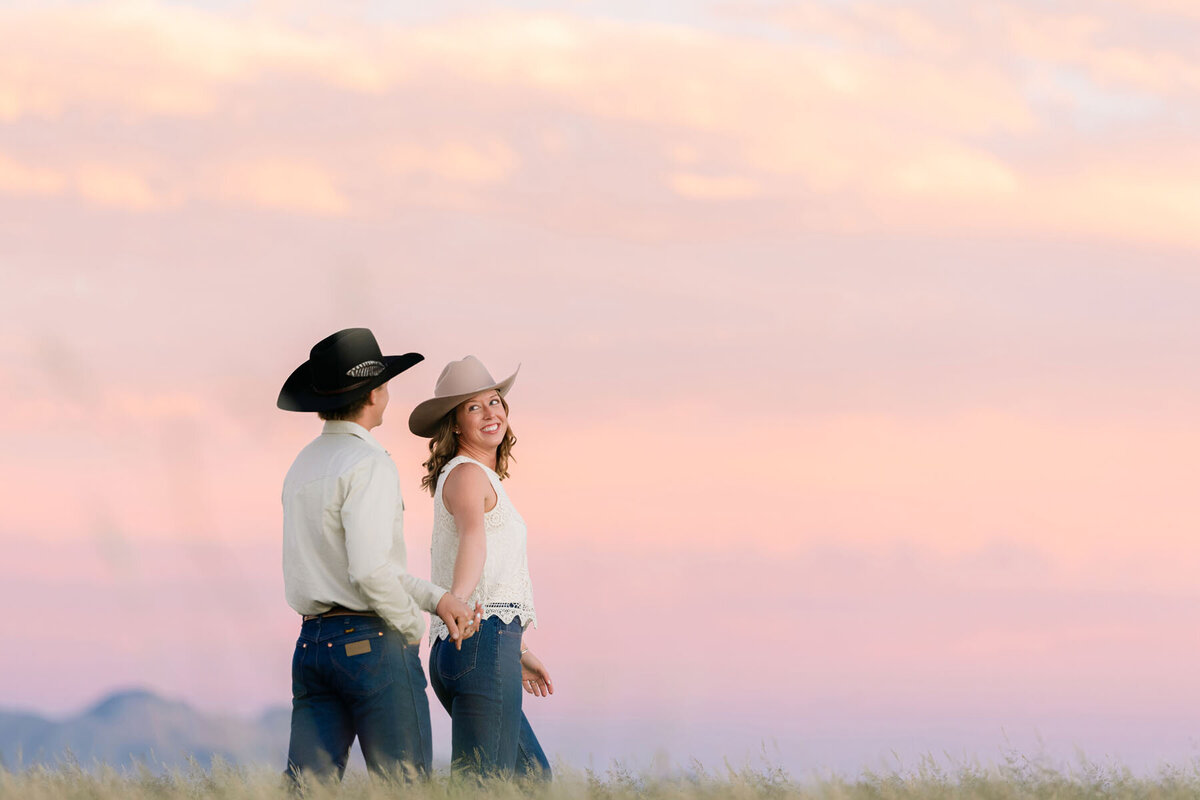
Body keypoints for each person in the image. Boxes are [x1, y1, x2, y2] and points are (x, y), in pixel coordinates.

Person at [276, 328, 481, 785]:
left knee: (307, 790)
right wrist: (410, 627)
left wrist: (437, 599)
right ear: (374, 393)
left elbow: (363, 567)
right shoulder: (368, 463)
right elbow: (370, 571)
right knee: (403, 789)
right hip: (371, 643)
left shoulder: (303, 466)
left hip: (312, 646)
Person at [408, 355, 554, 778]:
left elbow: (491, 573)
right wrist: (457, 598)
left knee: (530, 778)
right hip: (479, 641)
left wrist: (519, 651)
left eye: (495, 401)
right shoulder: (469, 474)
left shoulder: (475, 477)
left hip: (486, 642)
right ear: (454, 424)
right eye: (474, 407)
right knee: (484, 786)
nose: (491, 413)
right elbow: (474, 538)